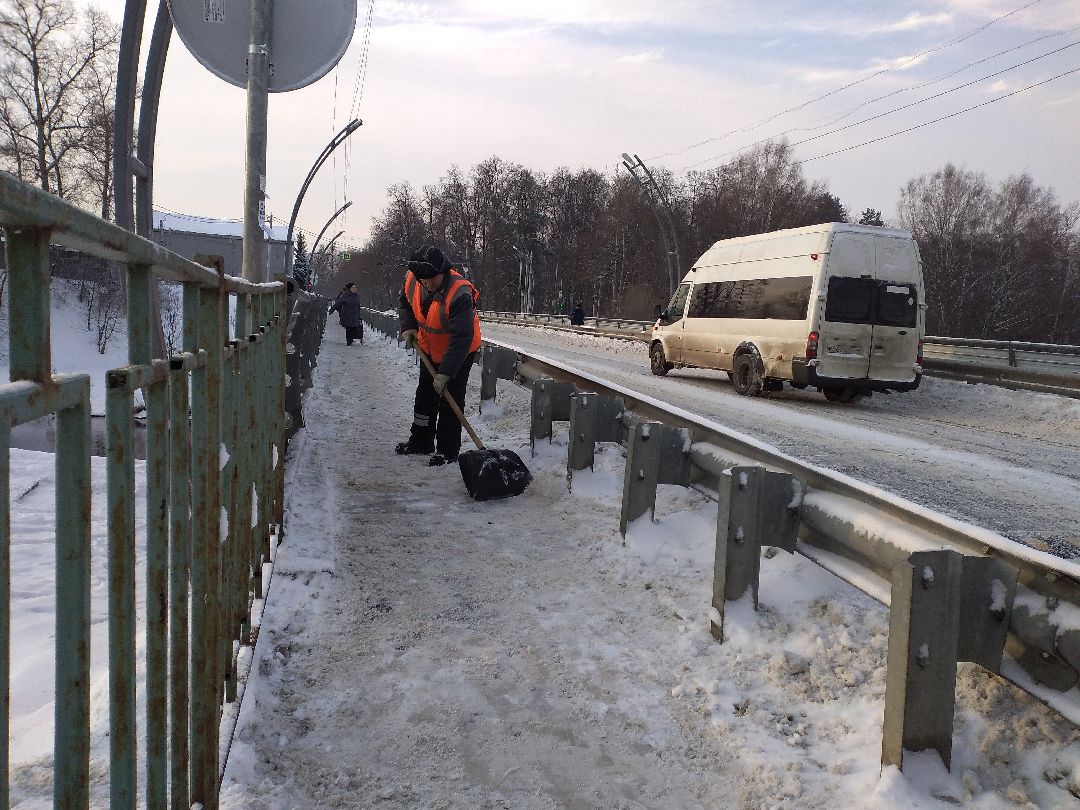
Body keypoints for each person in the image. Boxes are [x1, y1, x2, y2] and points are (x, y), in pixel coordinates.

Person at [395, 245, 481, 466]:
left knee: (451, 398)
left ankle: (447, 450)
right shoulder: (413, 279)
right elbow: (404, 302)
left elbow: (462, 337)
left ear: (443, 270)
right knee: (425, 394)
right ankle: (421, 441)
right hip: (429, 347)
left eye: (432, 278)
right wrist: (408, 326)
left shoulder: (460, 291)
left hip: (459, 352)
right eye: (423, 279)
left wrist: (445, 373)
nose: (428, 283)